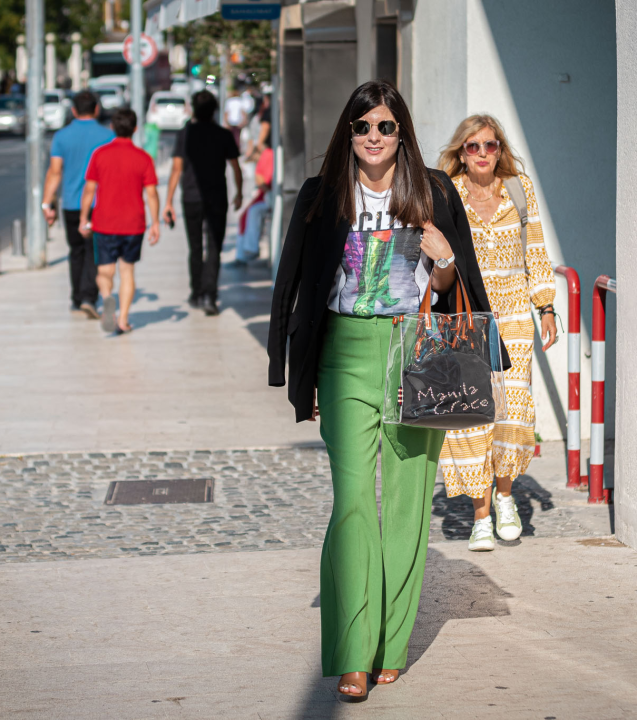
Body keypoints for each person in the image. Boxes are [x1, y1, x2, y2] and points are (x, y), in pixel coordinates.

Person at [266, 81, 505, 700]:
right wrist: (298, 373)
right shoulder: (323, 194)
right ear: (348, 133)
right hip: (344, 354)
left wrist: (444, 258)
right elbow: (295, 282)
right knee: (351, 502)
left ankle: (390, 645)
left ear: (403, 132)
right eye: (363, 126)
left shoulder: (433, 190)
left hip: (414, 353)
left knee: (406, 505)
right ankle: (352, 652)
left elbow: (457, 285)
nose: (374, 136)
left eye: (386, 126)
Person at [436, 115, 558, 551]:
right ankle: (480, 516)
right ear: (462, 152)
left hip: (514, 317)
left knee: (512, 410)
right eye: (473, 146)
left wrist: (546, 306)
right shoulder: (447, 193)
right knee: (471, 411)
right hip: (467, 316)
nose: (483, 153)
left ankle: (505, 497)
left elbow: (536, 250)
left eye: (490, 145)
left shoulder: (519, 190)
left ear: (500, 149)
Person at [78, 108, 160, 335]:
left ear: (112, 127)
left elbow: (89, 189)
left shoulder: (100, 154)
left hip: (104, 222)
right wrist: (155, 222)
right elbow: (151, 193)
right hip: (133, 223)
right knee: (127, 271)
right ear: (135, 129)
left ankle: (107, 298)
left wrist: (84, 217)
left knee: (105, 271)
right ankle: (123, 320)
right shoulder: (143, 158)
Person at [163, 90, 243, 315]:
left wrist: (168, 201)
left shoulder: (185, 133)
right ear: (214, 110)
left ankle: (197, 292)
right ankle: (210, 296)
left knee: (195, 247)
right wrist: (239, 193)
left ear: (194, 109)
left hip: (191, 197)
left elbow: (176, 168)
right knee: (214, 247)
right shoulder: (223, 134)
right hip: (217, 197)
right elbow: (235, 167)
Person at [42, 90, 114, 318]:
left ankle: (76, 297)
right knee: (94, 251)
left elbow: (55, 172)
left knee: (75, 251)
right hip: (99, 204)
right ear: (96, 109)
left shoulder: (61, 136)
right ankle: (89, 297)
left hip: (71, 204)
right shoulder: (108, 136)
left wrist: (47, 203)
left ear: (73, 111)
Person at [229, 145, 273, 267]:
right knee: (246, 215)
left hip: (268, 194)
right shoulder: (267, 154)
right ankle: (246, 251)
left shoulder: (267, 154)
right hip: (267, 194)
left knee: (252, 212)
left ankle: (250, 249)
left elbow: (260, 179)